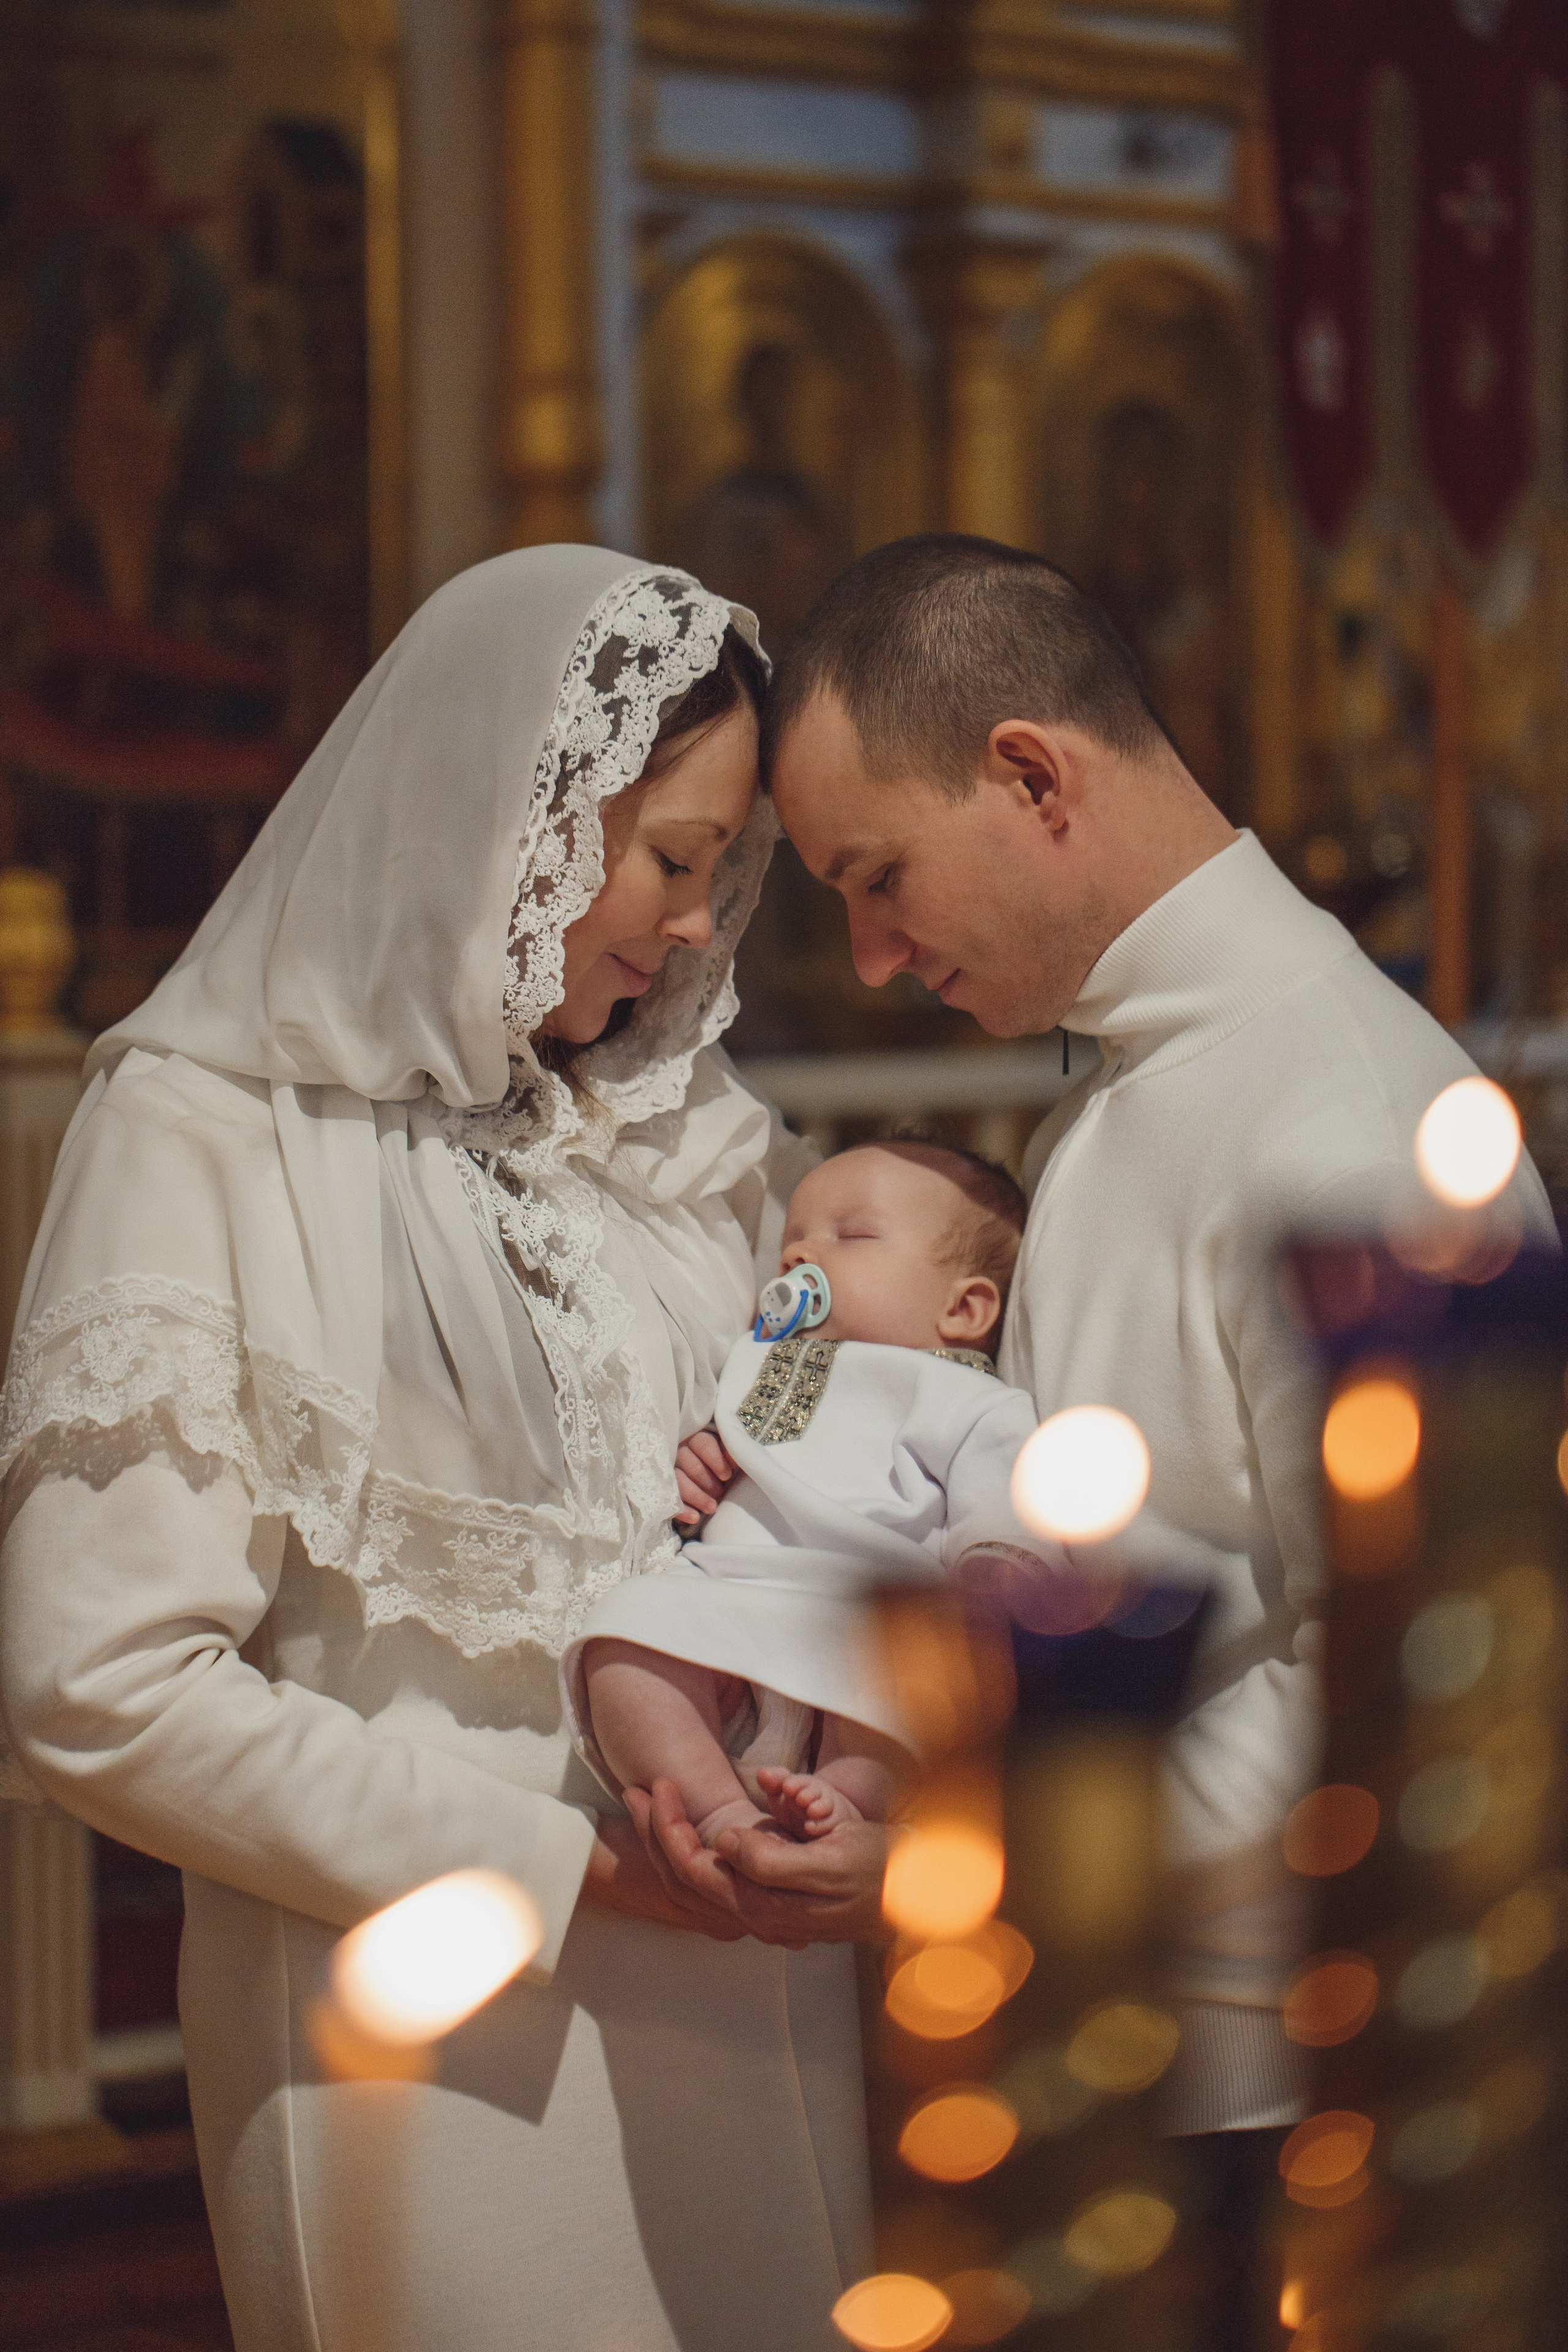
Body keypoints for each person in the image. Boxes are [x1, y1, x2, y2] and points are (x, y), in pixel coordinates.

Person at [0, 548, 878, 2352]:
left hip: (745, 2001)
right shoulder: (201, 1129)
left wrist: (833, 1787)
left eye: (723, 870)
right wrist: (562, 1868)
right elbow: (96, 1682)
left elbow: (801, 1510)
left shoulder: (687, 1145)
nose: (699, 923)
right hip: (428, 2022)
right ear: (518, 816)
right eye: (671, 859)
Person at [757, 532, 1556, 2342]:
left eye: (878, 880)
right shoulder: (1154, 1071)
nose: (874, 959)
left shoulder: (1341, 1109)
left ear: (1031, 772)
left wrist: (1002, 1856)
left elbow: (1409, 1655)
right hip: (1146, 2045)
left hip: (1300, 2086)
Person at [562, 1139, 1038, 1849]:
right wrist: (701, 1458)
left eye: (851, 1236)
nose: (797, 1256)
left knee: (926, 1685)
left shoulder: (965, 1398)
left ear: (964, 1310)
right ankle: (718, 1811)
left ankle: (851, 1798)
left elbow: (1003, 1493)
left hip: (873, 1608)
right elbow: (736, 1442)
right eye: (792, 1240)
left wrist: (993, 1568)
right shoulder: (755, 1364)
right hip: (728, 1591)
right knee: (621, 1641)